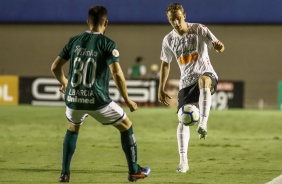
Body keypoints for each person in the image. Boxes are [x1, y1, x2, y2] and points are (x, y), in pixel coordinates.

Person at [51, 6, 150, 183]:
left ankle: (65, 174)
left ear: (87, 22)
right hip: (97, 100)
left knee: (73, 128)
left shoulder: (74, 40)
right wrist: (127, 99)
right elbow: (117, 74)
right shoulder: (108, 44)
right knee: (126, 125)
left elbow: (55, 67)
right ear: (106, 23)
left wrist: (64, 82)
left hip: (73, 99)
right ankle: (134, 170)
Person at [158, 3, 225, 173]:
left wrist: (219, 48)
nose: (176, 23)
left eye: (178, 18)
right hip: (186, 83)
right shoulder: (168, 40)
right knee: (183, 120)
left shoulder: (199, 29)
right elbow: (165, 64)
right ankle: (183, 162)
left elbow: (219, 46)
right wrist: (161, 87)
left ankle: (203, 123)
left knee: (204, 80)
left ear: (184, 16)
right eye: (172, 20)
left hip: (206, 73)